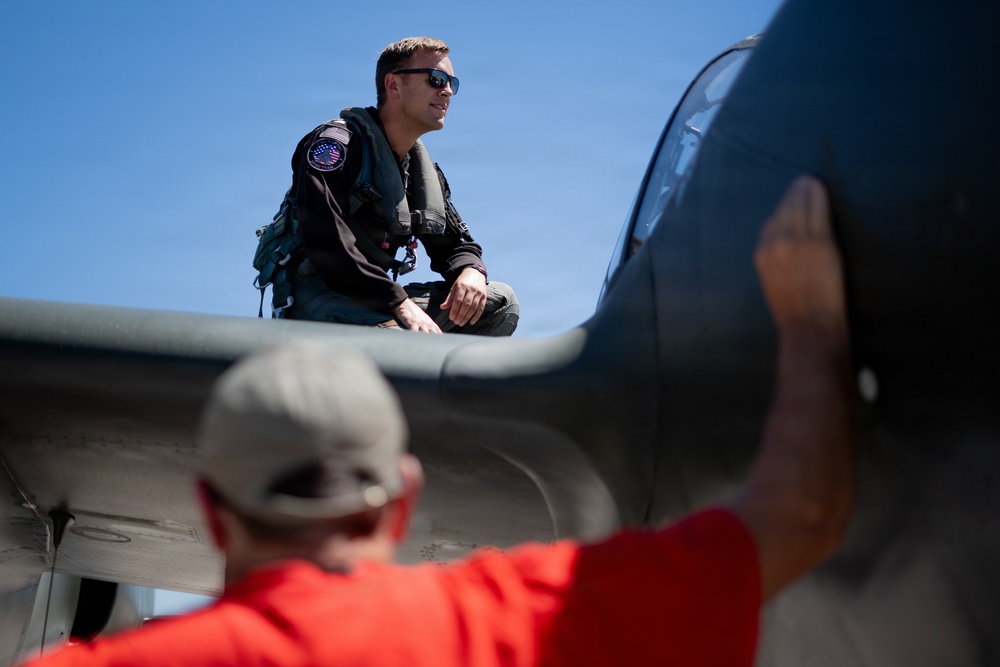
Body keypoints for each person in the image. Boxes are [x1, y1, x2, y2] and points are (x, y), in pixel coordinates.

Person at [24, 176, 855, 666]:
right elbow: (800, 513)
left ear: (209, 509)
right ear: (402, 497)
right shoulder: (519, 616)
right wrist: (813, 319)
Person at [273, 36, 518, 335]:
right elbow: (326, 242)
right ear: (393, 85)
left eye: (452, 82)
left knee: (500, 301)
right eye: (436, 78)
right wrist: (399, 303)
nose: (448, 91)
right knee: (398, 340)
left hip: (378, 299)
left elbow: (456, 245)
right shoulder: (337, 146)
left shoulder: (419, 172)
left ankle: (453, 382)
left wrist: (471, 271)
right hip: (316, 297)